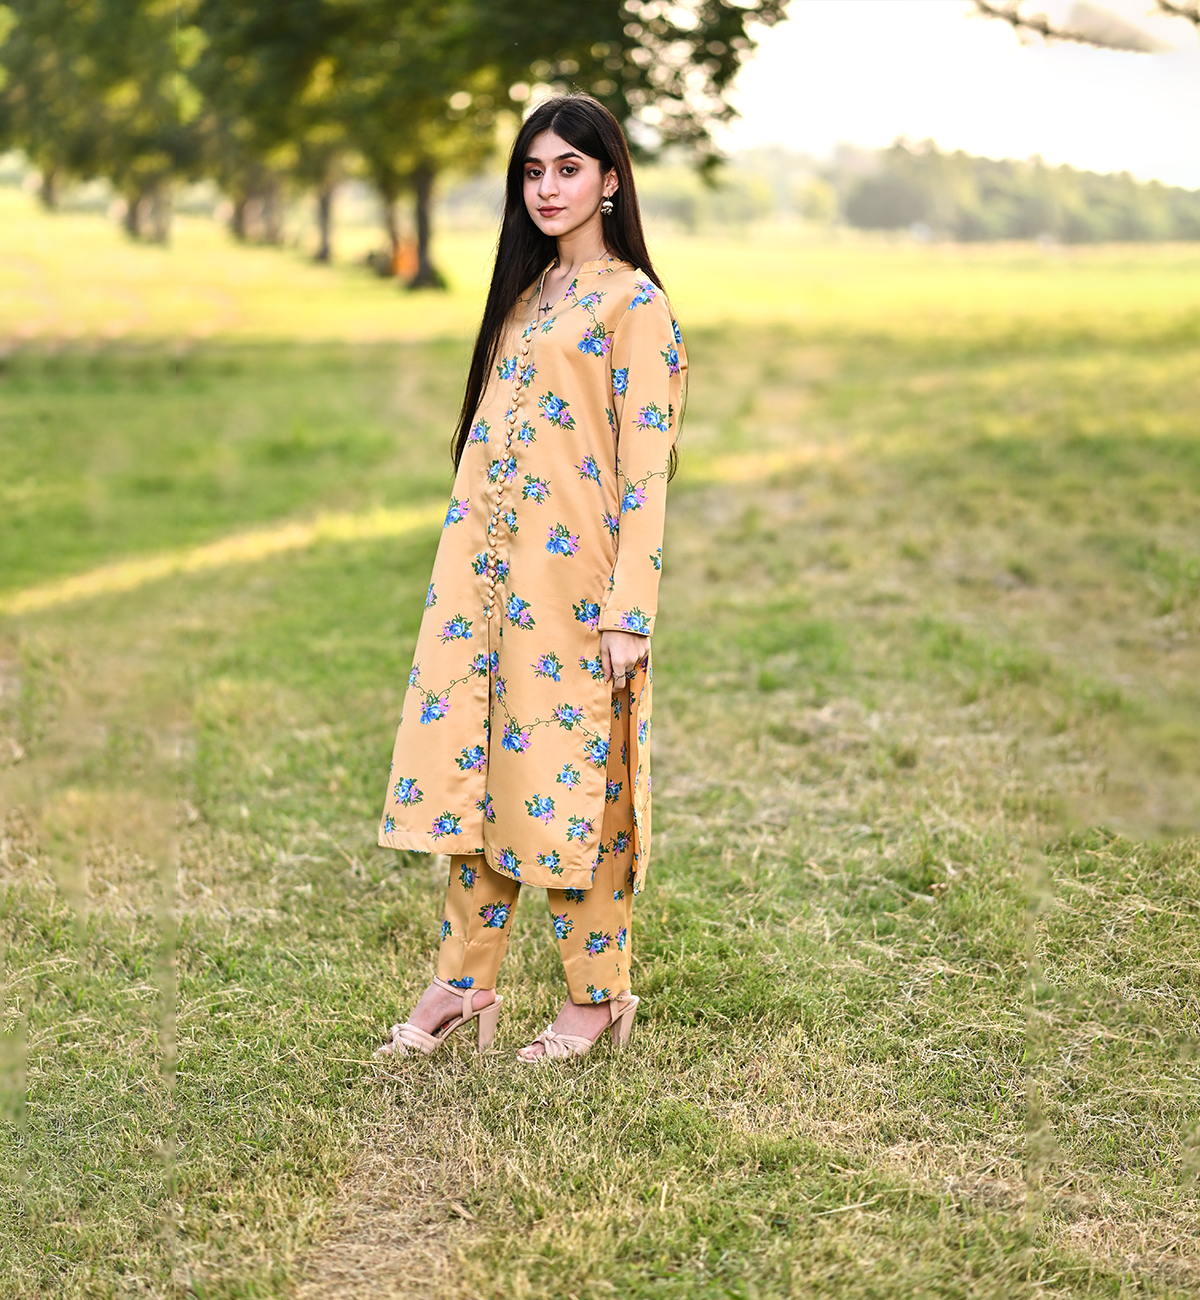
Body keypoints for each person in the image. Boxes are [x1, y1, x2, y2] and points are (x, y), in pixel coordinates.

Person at [375, 93, 686, 1063]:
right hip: (486, 588)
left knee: (577, 785)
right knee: (482, 773)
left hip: (577, 595)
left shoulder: (635, 305)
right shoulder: (526, 295)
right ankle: (463, 982)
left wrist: (629, 608)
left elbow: (645, 470)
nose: (548, 188)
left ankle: (597, 997)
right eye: (533, 171)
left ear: (610, 179)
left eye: (568, 168)